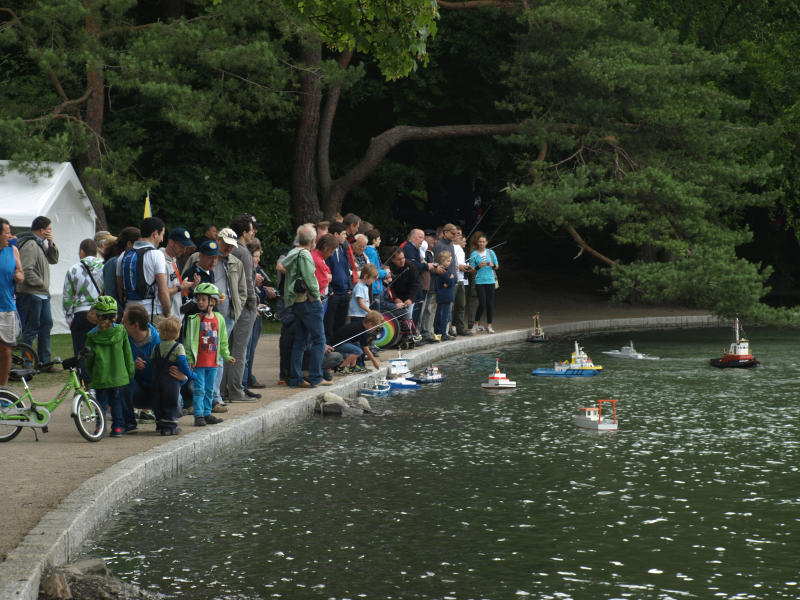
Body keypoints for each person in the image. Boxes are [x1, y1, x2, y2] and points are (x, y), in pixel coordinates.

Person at [281, 223, 331, 388]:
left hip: (296, 302)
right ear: (313, 240)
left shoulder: (292, 253)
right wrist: (317, 297)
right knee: (319, 339)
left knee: (300, 341)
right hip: (308, 302)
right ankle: (316, 376)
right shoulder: (305, 255)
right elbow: (310, 278)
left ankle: (296, 379)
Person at [84, 296, 135, 438]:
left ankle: (100, 427)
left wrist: (90, 372)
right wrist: (130, 371)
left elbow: (89, 358)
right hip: (119, 375)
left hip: (101, 375)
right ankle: (118, 427)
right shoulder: (121, 331)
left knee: (101, 402)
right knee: (116, 401)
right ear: (116, 315)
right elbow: (127, 353)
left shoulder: (91, 336)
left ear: (97, 316)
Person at [185, 283, 234, 426]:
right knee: (199, 389)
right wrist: (189, 359)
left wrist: (226, 356)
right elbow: (189, 342)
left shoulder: (219, 318)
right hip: (199, 362)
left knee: (209, 389)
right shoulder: (193, 319)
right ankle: (198, 415)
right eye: (198, 299)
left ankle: (207, 413)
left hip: (213, 362)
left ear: (212, 301)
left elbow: (223, 340)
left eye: (203, 299)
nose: (200, 302)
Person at [221, 218, 257, 403]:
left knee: (226, 349)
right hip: (244, 306)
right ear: (243, 232)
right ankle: (236, 391)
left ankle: (223, 391)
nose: (253, 233)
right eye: (251, 230)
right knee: (239, 350)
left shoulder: (229, 250)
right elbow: (248, 282)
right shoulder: (243, 252)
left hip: (230, 306)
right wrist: (253, 303)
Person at [16, 215, 59, 369]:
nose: (50, 232)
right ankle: (27, 362)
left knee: (46, 325)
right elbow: (26, 270)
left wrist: (51, 243)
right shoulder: (31, 245)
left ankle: (45, 362)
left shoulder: (40, 244)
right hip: (32, 294)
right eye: (49, 229)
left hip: (42, 294)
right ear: (42, 230)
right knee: (31, 328)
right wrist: (41, 284)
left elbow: (53, 260)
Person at [62, 238, 104, 385]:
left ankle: (85, 385)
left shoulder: (73, 269)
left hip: (80, 314)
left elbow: (67, 297)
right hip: (100, 314)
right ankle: (100, 383)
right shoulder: (104, 266)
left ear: (81, 251)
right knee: (101, 350)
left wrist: (69, 318)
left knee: (81, 353)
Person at [117, 217, 170, 322]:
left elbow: (119, 289)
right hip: (151, 314)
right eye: (162, 235)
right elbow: (162, 290)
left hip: (129, 313)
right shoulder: (156, 254)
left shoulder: (124, 255)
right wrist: (168, 314)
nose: (162, 240)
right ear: (155, 234)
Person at [151, 316, 194, 435]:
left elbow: (152, 364)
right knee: (170, 403)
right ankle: (170, 428)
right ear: (177, 333)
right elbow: (183, 365)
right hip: (171, 382)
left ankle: (159, 425)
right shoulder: (178, 347)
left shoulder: (157, 347)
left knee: (159, 403)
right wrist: (191, 375)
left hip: (158, 381)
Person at [0, 218, 24, 387]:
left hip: (7, 307)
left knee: (6, 350)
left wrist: (19, 276)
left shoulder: (13, 250)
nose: (10, 235)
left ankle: (3, 389)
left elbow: (21, 272)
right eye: (7, 232)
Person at [103, 227, 139, 319]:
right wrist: (121, 315)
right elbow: (110, 293)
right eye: (138, 244)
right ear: (129, 244)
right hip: (118, 316)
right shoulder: (113, 262)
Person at [323, 222, 352, 337]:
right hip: (333, 293)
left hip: (345, 291)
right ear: (336, 234)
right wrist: (330, 289)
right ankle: (330, 346)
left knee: (341, 322)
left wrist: (349, 287)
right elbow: (325, 271)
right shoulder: (327, 252)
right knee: (330, 323)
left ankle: (339, 344)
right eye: (344, 234)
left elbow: (347, 269)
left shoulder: (342, 249)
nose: (345, 236)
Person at [162, 227, 197, 320]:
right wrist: (181, 287)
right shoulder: (161, 261)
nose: (184, 250)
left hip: (176, 318)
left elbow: (175, 291)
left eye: (186, 247)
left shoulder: (173, 259)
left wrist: (189, 288)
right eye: (182, 246)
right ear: (171, 242)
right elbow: (162, 292)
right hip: (166, 319)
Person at [468, 231, 499, 333]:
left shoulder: (491, 252)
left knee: (490, 304)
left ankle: (490, 326)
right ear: (477, 243)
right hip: (479, 281)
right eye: (480, 241)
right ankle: (475, 324)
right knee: (482, 303)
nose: (481, 243)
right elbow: (471, 270)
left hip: (490, 280)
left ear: (486, 242)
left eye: (483, 241)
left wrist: (492, 265)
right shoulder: (474, 254)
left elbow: (497, 266)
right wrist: (478, 266)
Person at [451, 226, 474, 337]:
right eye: (457, 233)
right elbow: (448, 262)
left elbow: (462, 264)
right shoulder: (450, 247)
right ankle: (451, 328)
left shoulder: (461, 249)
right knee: (452, 306)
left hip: (461, 280)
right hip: (453, 280)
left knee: (461, 305)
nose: (459, 236)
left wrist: (467, 267)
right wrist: (458, 266)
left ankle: (460, 328)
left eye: (460, 233)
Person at [432, 251, 456, 341]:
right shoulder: (443, 271)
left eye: (450, 261)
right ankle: (441, 334)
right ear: (442, 260)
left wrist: (452, 279)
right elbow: (450, 282)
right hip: (443, 296)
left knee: (443, 315)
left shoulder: (446, 270)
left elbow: (455, 279)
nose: (449, 263)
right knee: (442, 316)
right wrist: (451, 279)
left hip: (446, 296)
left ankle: (441, 334)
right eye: (448, 261)